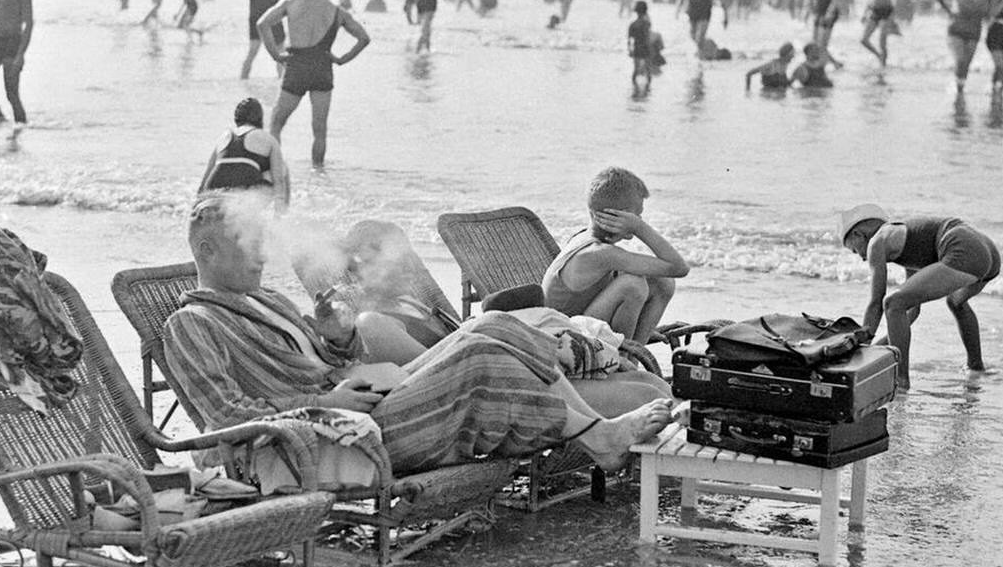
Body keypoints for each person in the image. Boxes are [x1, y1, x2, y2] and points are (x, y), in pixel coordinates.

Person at [164, 195, 675, 481]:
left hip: (362, 402)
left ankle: (595, 434)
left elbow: (328, 362)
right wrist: (324, 401)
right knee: (477, 357)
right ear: (207, 251)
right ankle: (598, 436)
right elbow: (223, 417)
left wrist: (336, 338)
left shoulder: (269, 303)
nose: (261, 256)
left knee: (492, 325)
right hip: (320, 441)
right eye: (248, 245)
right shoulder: (192, 325)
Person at [838, 203, 1000, 390]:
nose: (861, 258)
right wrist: (874, 349)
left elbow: (877, 304)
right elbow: (911, 312)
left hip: (963, 246)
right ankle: (976, 367)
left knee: (892, 303)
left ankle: (901, 382)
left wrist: (860, 348)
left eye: (854, 250)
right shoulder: (905, 238)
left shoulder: (877, 241)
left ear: (859, 234)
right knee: (956, 302)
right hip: (987, 252)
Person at [542, 166, 689, 344]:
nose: (639, 221)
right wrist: (639, 229)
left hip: (578, 326)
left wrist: (643, 326)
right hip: (564, 339)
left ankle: (635, 352)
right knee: (633, 285)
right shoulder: (598, 253)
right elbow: (679, 267)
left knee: (662, 282)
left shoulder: (592, 241)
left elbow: (669, 272)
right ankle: (622, 359)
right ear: (615, 216)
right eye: (636, 216)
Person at [257, 0, 370, 167]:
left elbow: (262, 23)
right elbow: (364, 38)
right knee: (319, 129)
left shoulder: (291, 2)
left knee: (277, 123)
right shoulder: (337, 12)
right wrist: (342, 59)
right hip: (322, 69)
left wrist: (276, 54)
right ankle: (318, 173)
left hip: (296, 66)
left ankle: (274, 171)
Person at [197, 97, 290, 204]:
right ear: (260, 119)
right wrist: (278, 215)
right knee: (283, 169)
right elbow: (278, 180)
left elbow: (204, 180)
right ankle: (283, 215)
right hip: (243, 194)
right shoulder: (268, 138)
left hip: (212, 192)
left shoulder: (224, 137)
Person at [935, 0, 991, 93]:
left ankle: (961, 87)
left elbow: (988, 14)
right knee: (960, 60)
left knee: (966, 63)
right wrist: (949, 12)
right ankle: (957, 88)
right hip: (956, 29)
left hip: (974, 31)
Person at [627, 0, 657, 90]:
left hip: (637, 49)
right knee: (648, 71)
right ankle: (648, 88)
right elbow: (647, 38)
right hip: (646, 49)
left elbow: (629, 40)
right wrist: (651, 49)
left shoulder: (632, 24)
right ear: (645, 11)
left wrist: (630, 50)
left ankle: (634, 87)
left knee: (635, 70)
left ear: (636, 11)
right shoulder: (646, 24)